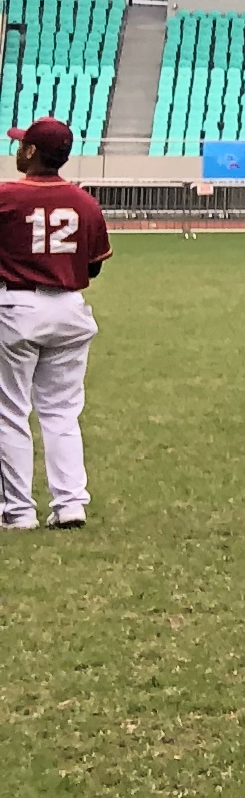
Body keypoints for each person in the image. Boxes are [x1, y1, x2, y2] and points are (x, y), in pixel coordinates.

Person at [0, 116, 107, 530]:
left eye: (22, 144)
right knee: (62, 412)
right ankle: (70, 504)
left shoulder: (6, 197)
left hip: (16, 306)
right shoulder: (84, 201)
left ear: (31, 151)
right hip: (70, 307)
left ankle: (18, 511)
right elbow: (93, 266)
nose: (18, 149)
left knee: (10, 412)